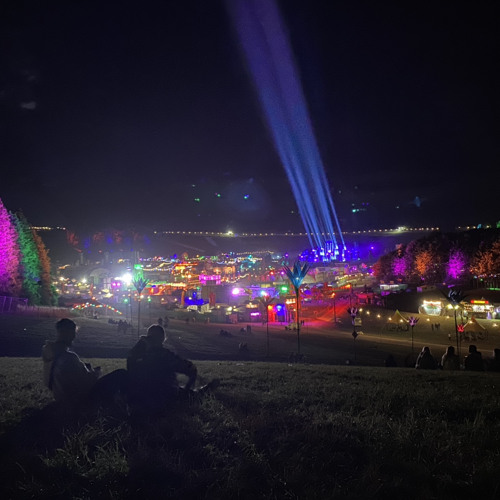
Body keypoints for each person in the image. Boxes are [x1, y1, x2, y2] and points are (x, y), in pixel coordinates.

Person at [127, 324, 219, 417]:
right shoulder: (165, 355)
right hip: (161, 396)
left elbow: (130, 366)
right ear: (162, 339)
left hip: (138, 395)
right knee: (189, 395)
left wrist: (138, 347)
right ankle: (201, 391)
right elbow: (190, 368)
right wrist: (188, 387)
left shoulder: (136, 355)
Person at [42, 318, 128, 409]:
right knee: (120, 374)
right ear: (69, 333)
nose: (74, 337)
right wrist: (95, 372)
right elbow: (87, 382)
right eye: (74, 333)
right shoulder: (69, 357)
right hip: (79, 400)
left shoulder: (50, 353)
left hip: (60, 396)